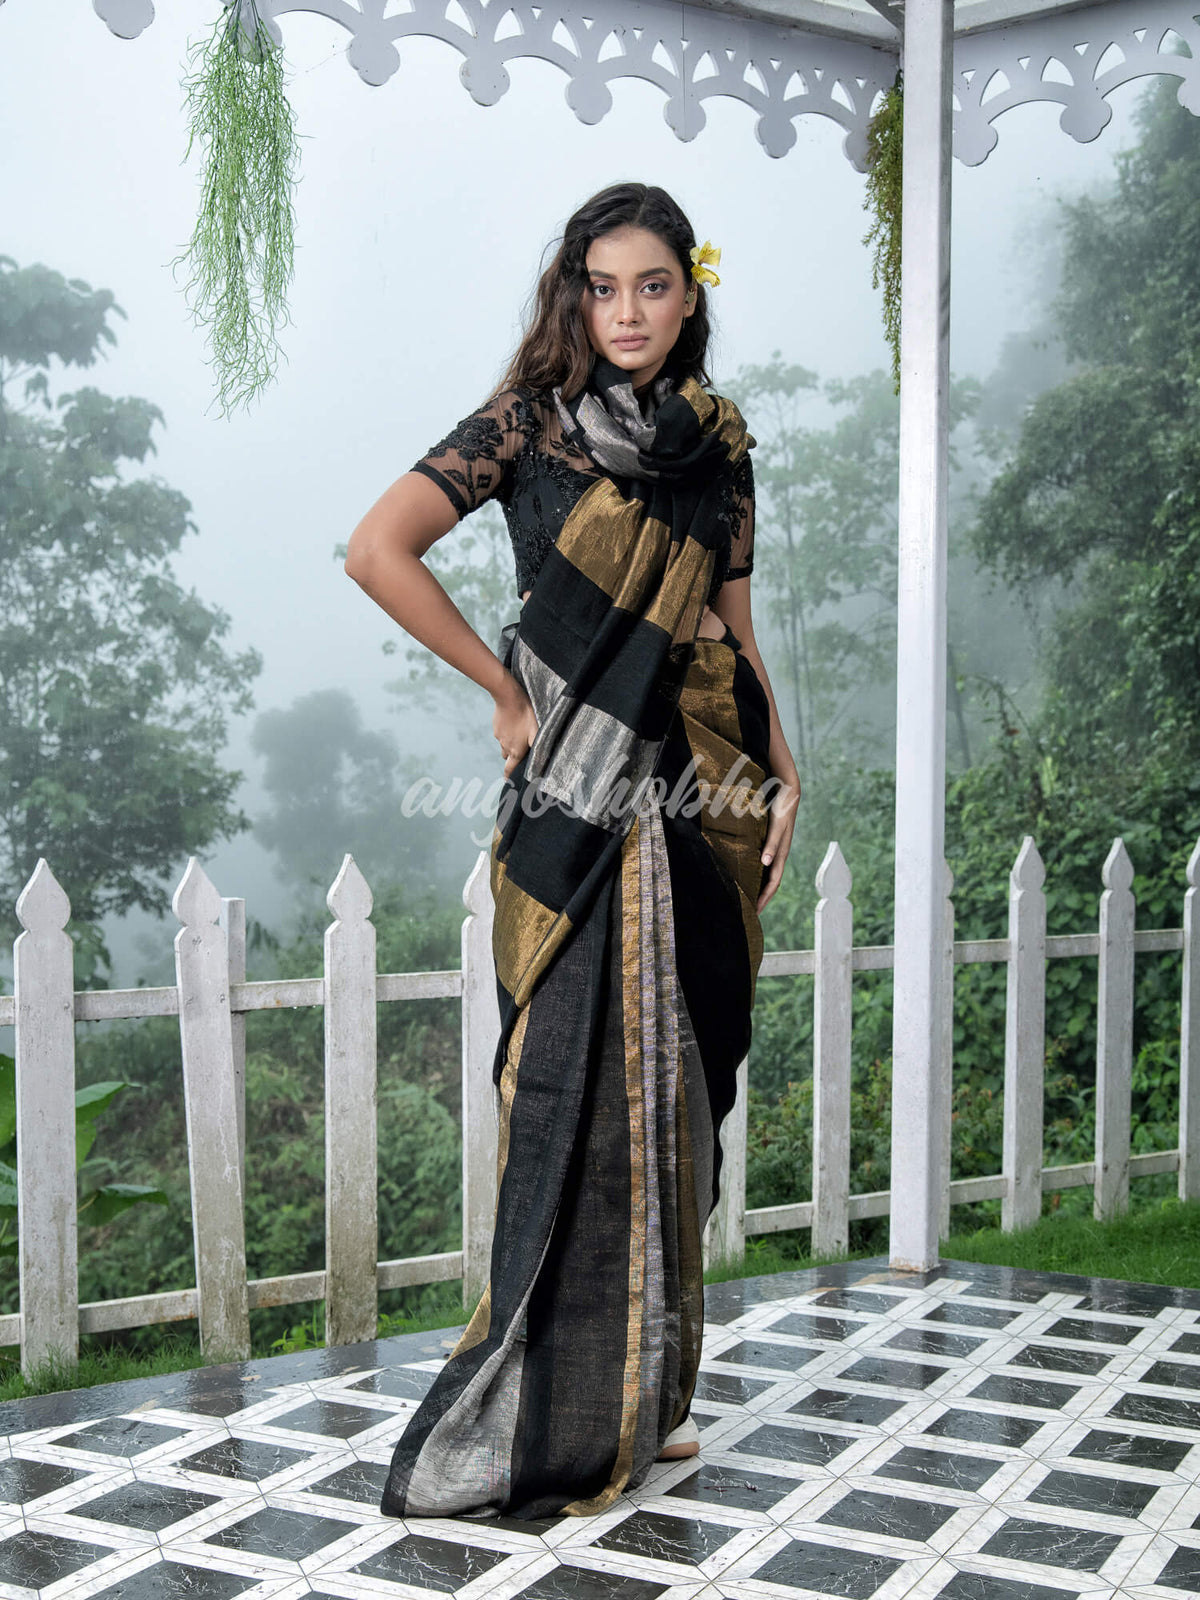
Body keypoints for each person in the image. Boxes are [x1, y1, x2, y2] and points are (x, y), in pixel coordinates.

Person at [344, 182, 800, 1520]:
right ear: (574, 297)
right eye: (604, 287)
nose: (628, 312)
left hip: (700, 780)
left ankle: (652, 1387)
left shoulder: (719, 448)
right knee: (565, 1079)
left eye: (653, 284)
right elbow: (376, 550)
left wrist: (781, 769)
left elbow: (734, 631)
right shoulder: (525, 427)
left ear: (690, 293)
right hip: (573, 791)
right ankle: (557, 1386)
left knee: (681, 1081)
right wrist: (503, 690)